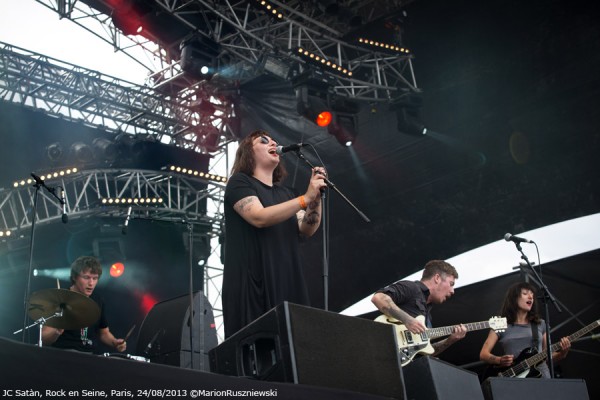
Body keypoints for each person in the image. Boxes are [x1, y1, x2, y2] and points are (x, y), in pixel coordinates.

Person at [222, 130, 327, 338]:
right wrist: (306, 198)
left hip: (287, 280)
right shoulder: (239, 183)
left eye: (274, 140)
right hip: (252, 283)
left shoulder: (286, 194)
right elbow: (259, 217)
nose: (272, 142)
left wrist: (316, 198)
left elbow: (307, 228)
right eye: (263, 141)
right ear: (248, 154)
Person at [371, 260, 467, 355]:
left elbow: (424, 353)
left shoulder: (427, 316)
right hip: (383, 347)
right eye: (451, 284)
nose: (452, 291)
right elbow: (378, 297)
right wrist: (407, 320)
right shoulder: (411, 288)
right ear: (437, 278)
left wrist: (449, 341)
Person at [479, 281, 571, 378]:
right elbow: (483, 354)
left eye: (532, 294)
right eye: (525, 293)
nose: (531, 297)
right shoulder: (500, 324)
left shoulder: (540, 324)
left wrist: (563, 353)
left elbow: (546, 355)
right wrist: (499, 360)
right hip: (514, 379)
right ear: (514, 298)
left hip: (541, 377)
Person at [41, 256, 127, 353]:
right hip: (64, 354)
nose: (91, 283)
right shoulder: (59, 299)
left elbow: (104, 333)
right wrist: (56, 332)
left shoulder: (97, 300)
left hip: (89, 355)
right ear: (74, 277)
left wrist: (115, 342)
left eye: (95, 278)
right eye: (86, 277)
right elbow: (44, 338)